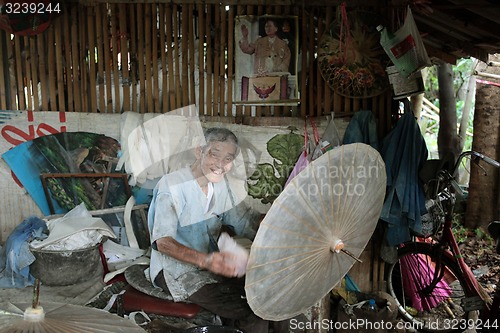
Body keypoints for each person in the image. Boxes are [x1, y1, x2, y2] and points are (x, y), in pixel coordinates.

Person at [147, 127, 294, 332]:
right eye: (214, 154)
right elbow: (163, 243)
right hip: (177, 272)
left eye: (228, 158)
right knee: (252, 310)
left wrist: (284, 223)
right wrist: (206, 260)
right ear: (199, 151)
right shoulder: (171, 185)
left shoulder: (221, 186)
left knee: (272, 297)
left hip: (213, 266)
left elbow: (247, 221)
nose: (220, 164)